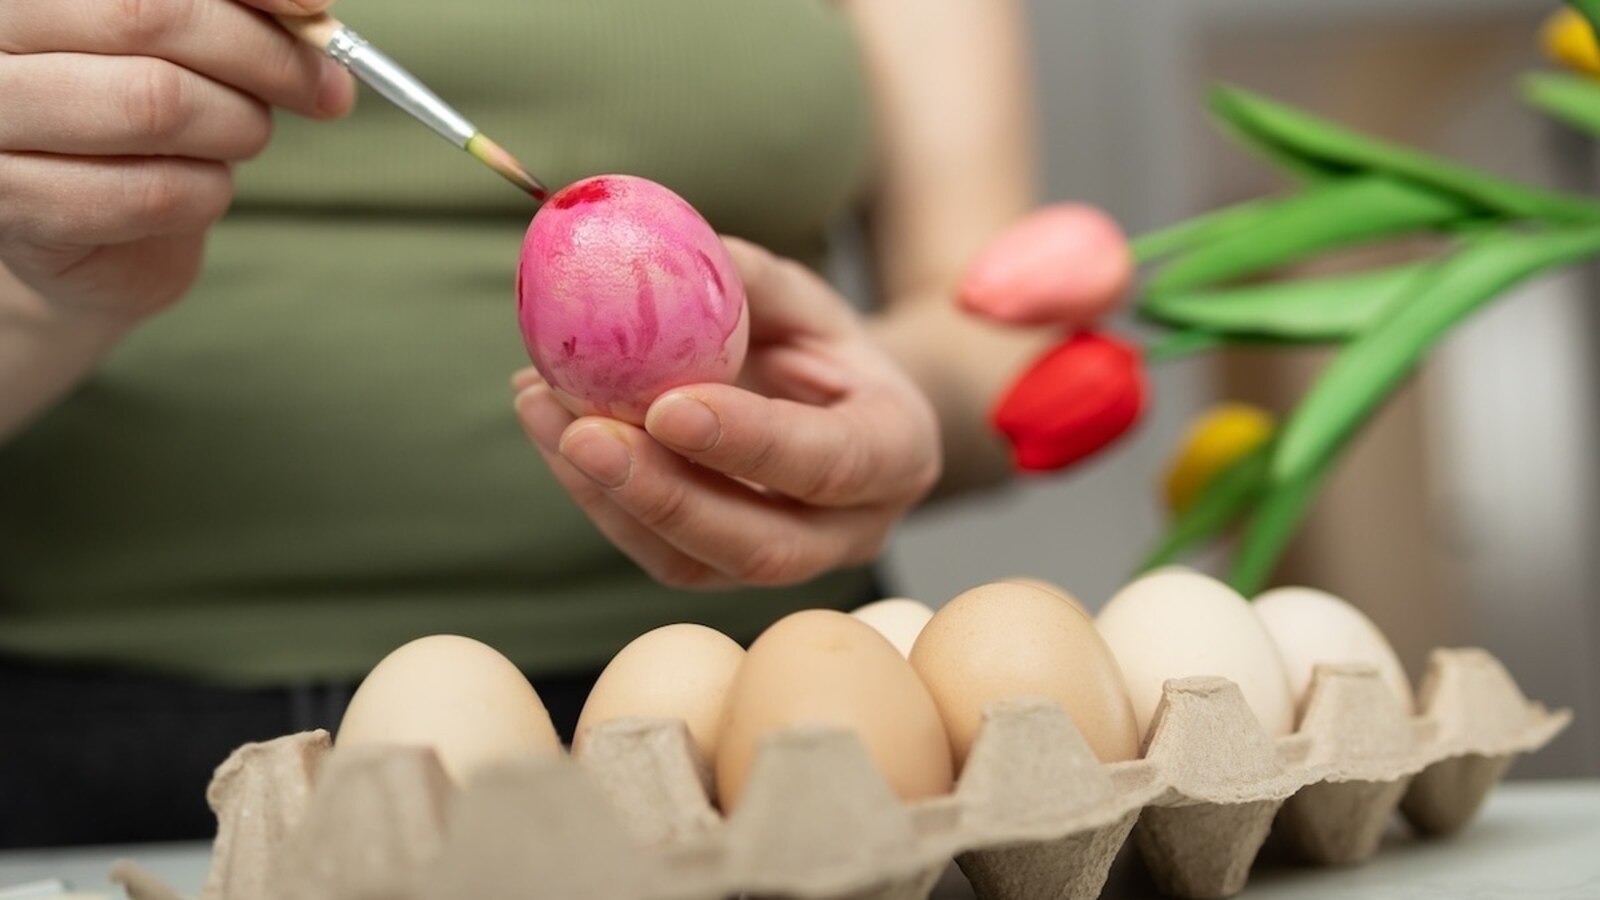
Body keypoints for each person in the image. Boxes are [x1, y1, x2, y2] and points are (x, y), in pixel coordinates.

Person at [0, 0, 1118, 848]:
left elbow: (990, 327)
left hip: (734, 726)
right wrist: (51, 304)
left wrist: (887, 405)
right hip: (82, 732)